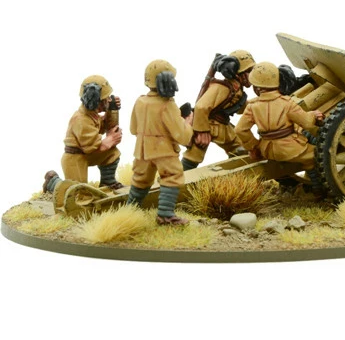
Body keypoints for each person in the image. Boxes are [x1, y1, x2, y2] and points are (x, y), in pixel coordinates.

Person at [234, 61, 325, 197]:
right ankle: (319, 190)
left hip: (266, 150)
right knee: (316, 155)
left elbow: (240, 130)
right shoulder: (287, 103)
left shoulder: (252, 106)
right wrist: (313, 115)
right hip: (288, 148)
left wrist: (254, 147)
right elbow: (307, 123)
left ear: (257, 87)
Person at [126, 60, 193, 226]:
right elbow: (182, 136)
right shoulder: (167, 105)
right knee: (172, 176)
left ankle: (129, 211)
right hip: (163, 150)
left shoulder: (140, 101)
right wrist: (187, 123)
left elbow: (133, 129)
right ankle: (165, 215)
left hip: (141, 150)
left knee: (140, 179)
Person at [43, 75, 123, 193]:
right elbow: (91, 147)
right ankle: (52, 182)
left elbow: (101, 127)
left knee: (112, 153)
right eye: (106, 99)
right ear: (97, 102)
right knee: (77, 192)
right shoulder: (81, 120)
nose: (109, 100)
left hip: (87, 153)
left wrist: (111, 109)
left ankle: (108, 182)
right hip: (75, 158)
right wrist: (110, 140)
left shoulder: (91, 114)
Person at [181, 50, 255, 170]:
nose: (252, 75)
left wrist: (262, 102)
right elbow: (201, 107)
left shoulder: (237, 89)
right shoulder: (222, 87)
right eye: (249, 71)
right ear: (238, 73)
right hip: (207, 125)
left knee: (239, 148)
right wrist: (202, 132)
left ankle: (240, 173)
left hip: (223, 126)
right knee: (194, 155)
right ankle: (176, 178)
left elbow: (241, 108)